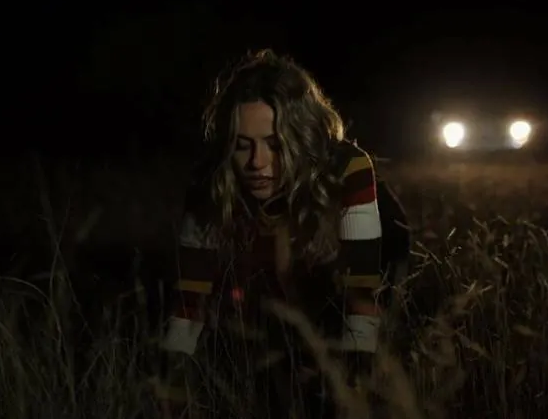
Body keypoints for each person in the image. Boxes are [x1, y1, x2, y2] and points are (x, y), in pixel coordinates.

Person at [153, 49, 384, 418]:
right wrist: (172, 385)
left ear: (301, 138)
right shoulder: (212, 182)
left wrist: (353, 388)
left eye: (275, 145)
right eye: (242, 145)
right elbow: (190, 299)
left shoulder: (347, 168)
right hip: (259, 329)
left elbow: (362, 293)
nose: (256, 163)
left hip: (328, 313)